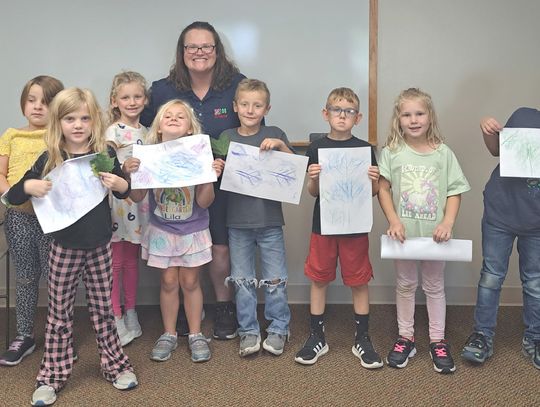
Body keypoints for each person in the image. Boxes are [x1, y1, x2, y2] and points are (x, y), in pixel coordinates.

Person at [5, 87, 137, 406]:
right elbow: (13, 196)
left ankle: (115, 366)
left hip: (100, 244)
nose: (77, 125)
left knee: (104, 310)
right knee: (59, 314)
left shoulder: (103, 151)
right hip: (63, 246)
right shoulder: (51, 155)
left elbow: (122, 189)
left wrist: (121, 185)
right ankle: (52, 376)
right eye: (69, 119)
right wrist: (28, 186)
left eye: (84, 118)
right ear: (57, 122)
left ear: (94, 120)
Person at [140, 21, 247, 339]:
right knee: (180, 250)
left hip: (224, 182)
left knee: (219, 249)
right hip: (173, 191)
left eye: (206, 46)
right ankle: (191, 310)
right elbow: (146, 130)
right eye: (192, 47)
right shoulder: (162, 90)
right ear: (182, 52)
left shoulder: (236, 85)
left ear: (217, 51)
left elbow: (251, 128)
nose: (199, 52)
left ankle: (223, 307)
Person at [377, 88, 470, 374]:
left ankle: (437, 340)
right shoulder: (392, 152)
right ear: (398, 119)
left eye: (419, 113)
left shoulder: (444, 154)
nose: (413, 120)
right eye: (407, 114)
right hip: (403, 236)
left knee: (433, 286)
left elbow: (455, 191)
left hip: (435, 237)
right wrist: (393, 220)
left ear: (430, 117)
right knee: (405, 285)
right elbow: (383, 187)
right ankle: (406, 337)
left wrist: (448, 223)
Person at [127, 99, 224, 363]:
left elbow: (204, 202)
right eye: (167, 116)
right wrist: (130, 173)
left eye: (180, 116)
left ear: (190, 129)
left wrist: (209, 177)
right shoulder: (149, 154)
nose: (172, 118)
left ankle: (195, 334)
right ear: (158, 127)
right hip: (162, 231)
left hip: (193, 230)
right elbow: (136, 196)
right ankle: (169, 333)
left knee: (191, 282)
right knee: (168, 282)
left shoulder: (199, 155)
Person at [294, 87, 382, 368]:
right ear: (326, 114)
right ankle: (316, 336)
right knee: (319, 278)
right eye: (337, 110)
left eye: (349, 111)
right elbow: (312, 192)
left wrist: (374, 180)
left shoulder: (366, 150)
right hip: (324, 225)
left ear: (358, 118)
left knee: (359, 281)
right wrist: (313, 178)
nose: (342, 115)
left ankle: (362, 338)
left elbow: (372, 192)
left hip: (355, 227)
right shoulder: (317, 148)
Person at [461, 109, 540, 369]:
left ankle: (535, 338)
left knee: (535, 281)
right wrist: (488, 130)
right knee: (491, 277)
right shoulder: (525, 117)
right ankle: (482, 335)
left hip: (536, 223)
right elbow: (496, 149)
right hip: (501, 215)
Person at [220, 79, 292, 357]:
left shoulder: (275, 133)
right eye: (245, 104)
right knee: (242, 280)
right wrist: (219, 166)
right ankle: (248, 331)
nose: (251, 110)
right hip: (237, 221)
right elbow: (217, 176)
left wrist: (282, 146)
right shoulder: (226, 137)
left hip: (270, 220)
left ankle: (279, 329)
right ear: (235, 106)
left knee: (275, 280)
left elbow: (296, 169)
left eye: (257, 105)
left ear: (267, 108)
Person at [0, 75, 64, 366]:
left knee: (57, 279)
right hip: (19, 217)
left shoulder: (59, 136)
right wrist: (14, 195)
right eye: (31, 99)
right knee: (26, 276)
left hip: (53, 219)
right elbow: (1, 175)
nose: (38, 107)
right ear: (23, 103)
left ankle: (59, 335)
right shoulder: (11, 135)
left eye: (46, 102)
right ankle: (25, 334)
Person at [105, 71, 149, 347]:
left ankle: (131, 310)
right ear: (114, 101)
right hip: (117, 204)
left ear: (145, 99)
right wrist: (123, 168)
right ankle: (115, 316)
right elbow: (105, 165)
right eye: (125, 97)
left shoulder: (148, 132)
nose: (132, 102)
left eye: (137, 96)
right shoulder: (111, 133)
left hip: (140, 203)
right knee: (115, 263)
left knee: (132, 261)